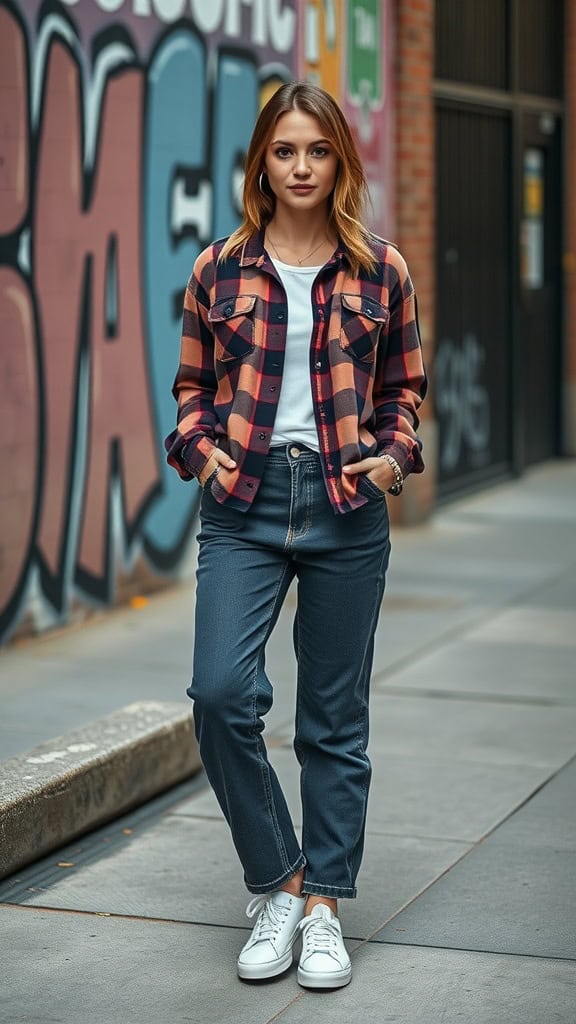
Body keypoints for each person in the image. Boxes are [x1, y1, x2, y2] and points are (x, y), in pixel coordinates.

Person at [165, 81, 426, 989]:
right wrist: (202, 459)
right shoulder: (219, 269)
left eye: (318, 151)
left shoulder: (382, 269)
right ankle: (279, 877)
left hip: (348, 505)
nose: (302, 167)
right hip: (242, 499)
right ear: (262, 164)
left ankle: (324, 909)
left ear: (339, 162)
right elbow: (190, 390)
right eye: (286, 151)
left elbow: (404, 391)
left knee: (333, 720)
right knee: (221, 693)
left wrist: (392, 460)